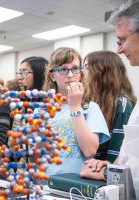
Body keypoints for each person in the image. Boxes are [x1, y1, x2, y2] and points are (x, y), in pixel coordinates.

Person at [80, 0, 139, 197]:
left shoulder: (123, 104)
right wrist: (111, 167)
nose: (119, 50)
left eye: (122, 41)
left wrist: (107, 171)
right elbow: (130, 155)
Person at [42, 47, 110, 175]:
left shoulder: (90, 108)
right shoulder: (42, 110)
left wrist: (74, 106)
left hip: (75, 185)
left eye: (74, 69)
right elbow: (34, 157)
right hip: (44, 183)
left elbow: (90, 150)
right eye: (63, 69)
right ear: (52, 76)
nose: (70, 75)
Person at [82, 51, 136, 163]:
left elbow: (115, 157)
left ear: (103, 71)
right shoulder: (89, 101)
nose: (82, 72)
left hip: (101, 176)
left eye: (87, 67)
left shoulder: (123, 105)